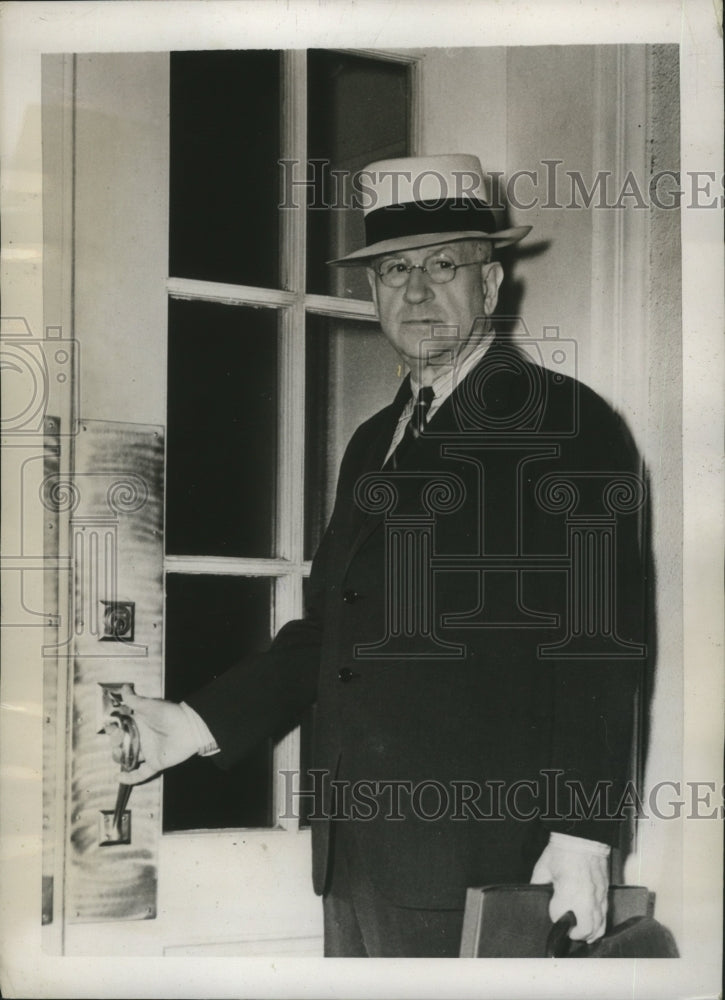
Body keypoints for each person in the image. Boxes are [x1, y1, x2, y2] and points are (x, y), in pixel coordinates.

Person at [114, 154, 647, 957]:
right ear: (372, 293)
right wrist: (195, 723)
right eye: (394, 270)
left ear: (491, 286)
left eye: (443, 265)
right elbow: (330, 629)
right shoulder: (374, 441)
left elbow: (600, 647)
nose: (417, 291)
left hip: (486, 859)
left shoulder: (566, 425)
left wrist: (583, 836)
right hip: (354, 856)